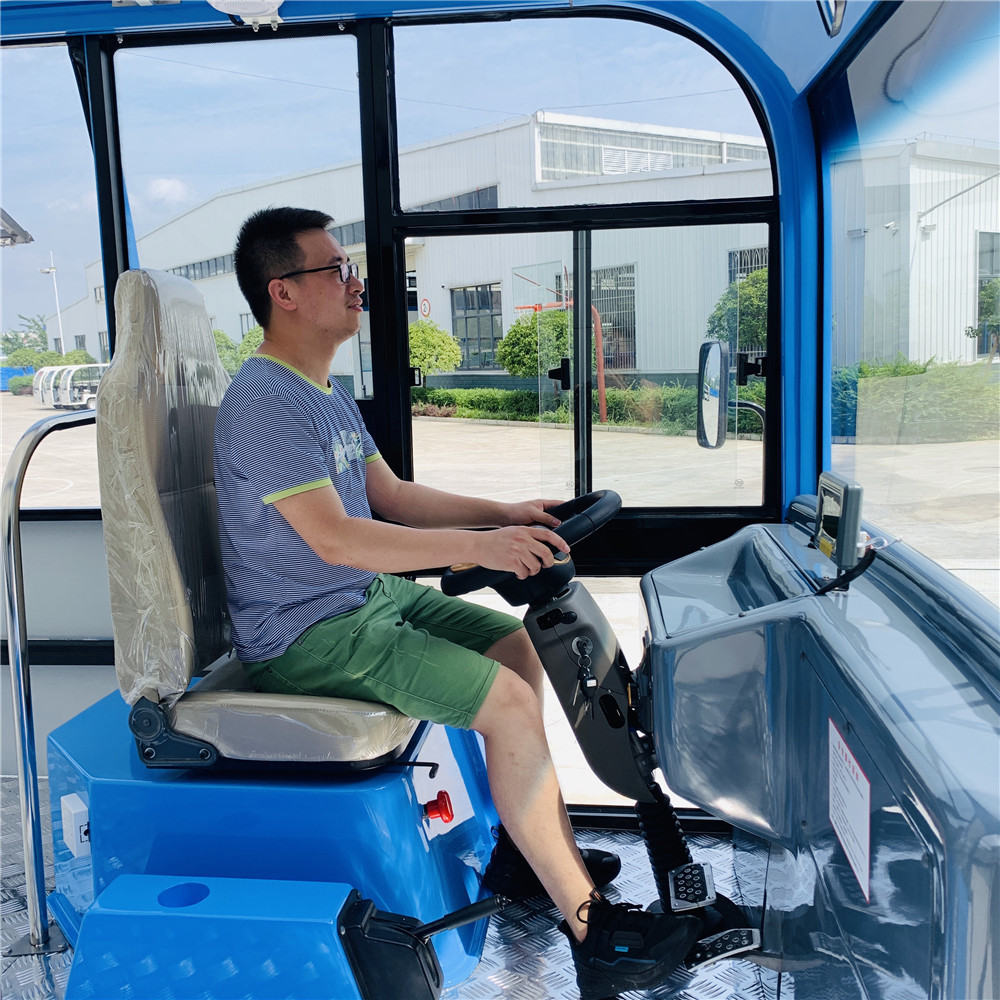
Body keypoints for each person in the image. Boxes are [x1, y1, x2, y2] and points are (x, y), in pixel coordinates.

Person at [214, 206, 701, 998]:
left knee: (515, 645)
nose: (354, 283)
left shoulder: (323, 392)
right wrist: (476, 547)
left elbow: (394, 497)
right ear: (285, 293)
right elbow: (337, 538)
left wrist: (503, 516)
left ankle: (522, 851)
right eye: (334, 269)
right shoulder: (265, 400)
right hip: (308, 633)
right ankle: (595, 931)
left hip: (363, 601)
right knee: (508, 704)